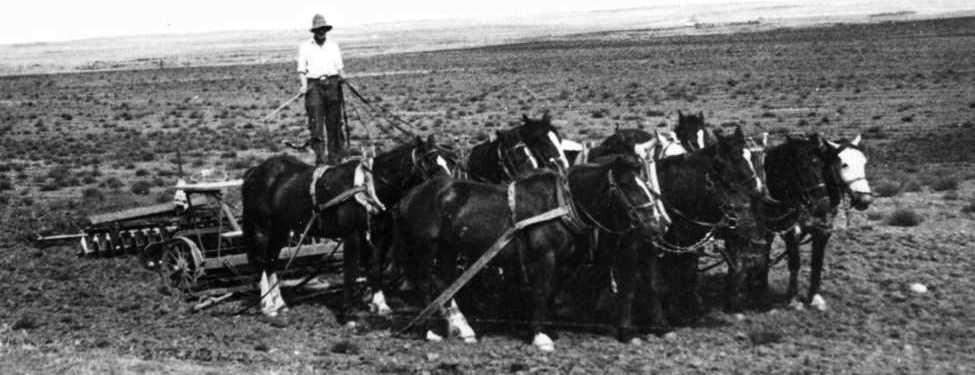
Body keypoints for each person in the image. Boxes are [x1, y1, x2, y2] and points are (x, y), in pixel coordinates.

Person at [297, 14, 346, 165]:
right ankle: (320, 160)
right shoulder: (305, 47)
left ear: (326, 30)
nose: (321, 32)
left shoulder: (333, 46)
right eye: (318, 29)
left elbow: (339, 67)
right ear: (314, 31)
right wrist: (304, 86)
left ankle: (335, 160)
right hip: (314, 86)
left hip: (332, 84)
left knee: (335, 124)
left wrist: (343, 78)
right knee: (316, 126)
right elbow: (301, 70)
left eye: (323, 29)